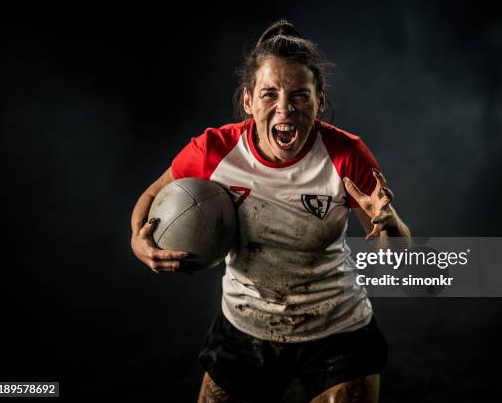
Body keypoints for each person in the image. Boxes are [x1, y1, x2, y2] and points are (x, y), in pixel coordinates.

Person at [130, 20, 410, 403]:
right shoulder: (215, 149)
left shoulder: (346, 154)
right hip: (246, 326)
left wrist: (389, 225)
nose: (284, 108)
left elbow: (396, 254)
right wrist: (137, 240)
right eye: (269, 94)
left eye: (299, 95)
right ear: (248, 100)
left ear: (319, 101)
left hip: (337, 328)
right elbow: (151, 195)